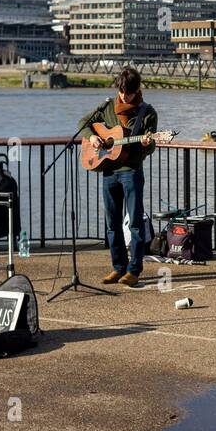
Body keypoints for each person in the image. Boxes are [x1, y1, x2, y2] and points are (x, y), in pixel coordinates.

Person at [77, 67, 158, 286]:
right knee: (112, 223)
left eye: (129, 93)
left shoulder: (147, 112)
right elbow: (83, 123)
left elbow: (150, 147)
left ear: (136, 90)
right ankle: (118, 267)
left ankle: (134, 270)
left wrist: (147, 144)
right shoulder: (107, 107)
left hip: (131, 172)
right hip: (109, 171)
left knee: (135, 223)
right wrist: (93, 138)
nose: (124, 96)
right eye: (122, 92)